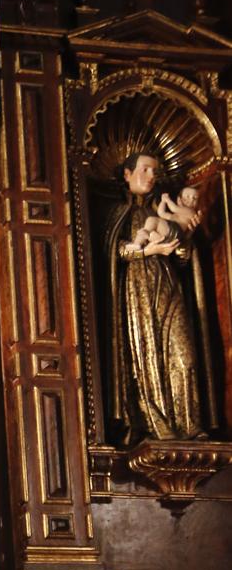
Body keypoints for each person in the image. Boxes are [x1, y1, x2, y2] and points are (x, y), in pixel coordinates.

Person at [104, 149, 216, 443]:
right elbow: (118, 252)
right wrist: (152, 250)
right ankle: (155, 427)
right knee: (146, 354)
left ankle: (189, 424)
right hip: (137, 290)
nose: (151, 177)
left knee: (184, 354)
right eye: (144, 170)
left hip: (167, 285)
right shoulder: (119, 213)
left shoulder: (162, 210)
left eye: (155, 172)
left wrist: (184, 240)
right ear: (127, 174)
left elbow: (182, 260)